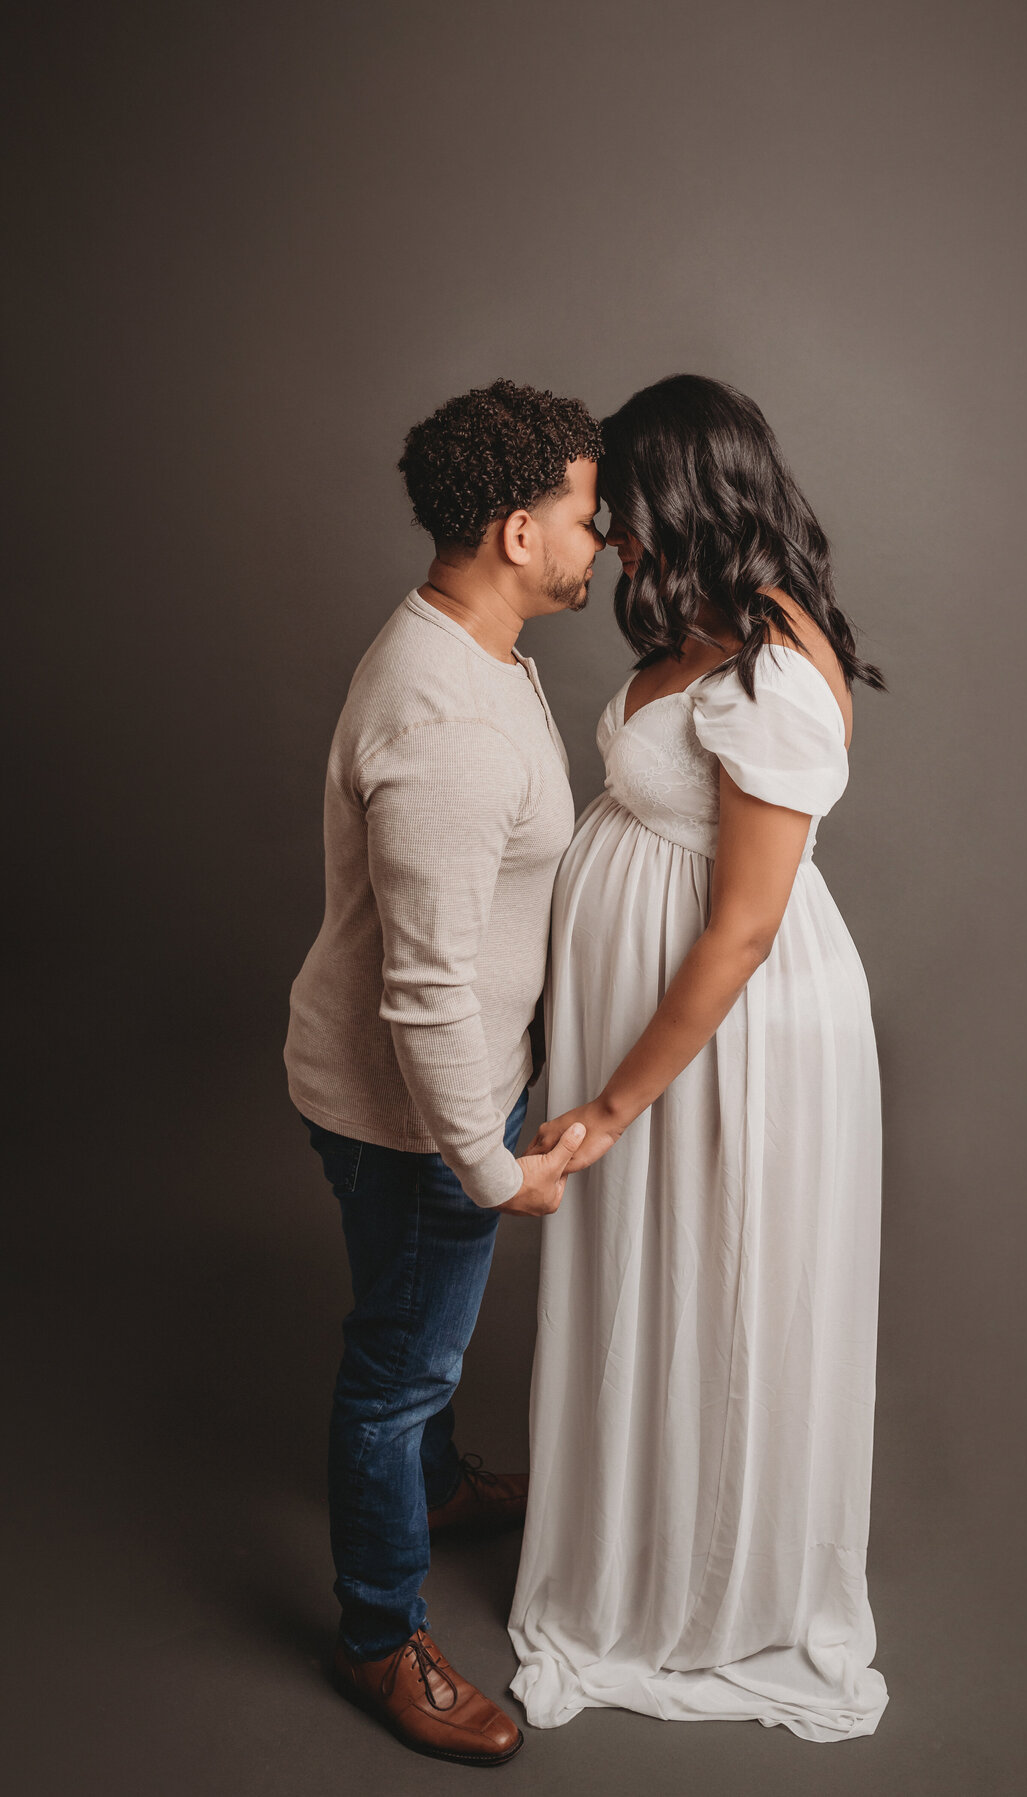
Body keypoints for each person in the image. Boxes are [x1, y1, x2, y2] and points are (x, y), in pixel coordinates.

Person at [508, 374, 890, 1739]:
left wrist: (612, 1100)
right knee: (656, 1287)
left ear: (692, 497)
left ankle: (709, 1591)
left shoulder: (776, 670)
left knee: (722, 1295)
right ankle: (643, 1543)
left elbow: (737, 931)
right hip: (656, 1038)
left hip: (731, 1044)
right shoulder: (704, 622)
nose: (611, 542)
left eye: (627, 515)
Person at [284, 379, 604, 1767]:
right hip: (421, 1111)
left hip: (435, 1087)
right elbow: (423, 992)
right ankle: (376, 1635)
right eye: (588, 516)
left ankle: (438, 1484)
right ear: (515, 529)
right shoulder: (451, 724)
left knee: (416, 1335)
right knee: (396, 1368)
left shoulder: (472, 650)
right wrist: (490, 1165)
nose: (608, 541)